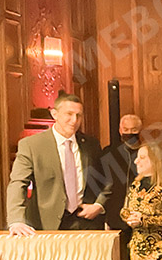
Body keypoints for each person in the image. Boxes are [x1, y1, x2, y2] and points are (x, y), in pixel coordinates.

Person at [7, 93, 110, 235]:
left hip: (87, 224)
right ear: (54, 114)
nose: (74, 120)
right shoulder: (32, 145)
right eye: (69, 114)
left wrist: (99, 205)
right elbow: (18, 183)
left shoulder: (91, 144)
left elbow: (106, 180)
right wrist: (16, 220)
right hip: (47, 225)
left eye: (79, 115)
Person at [100, 114, 143, 260]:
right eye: (126, 129)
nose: (129, 133)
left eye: (134, 129)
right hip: (115, 212)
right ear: (120, 130)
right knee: (119, 257)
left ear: (140, 130)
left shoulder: (146, 153)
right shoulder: (109, 153)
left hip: (140, 212)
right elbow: (102, 184)